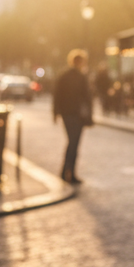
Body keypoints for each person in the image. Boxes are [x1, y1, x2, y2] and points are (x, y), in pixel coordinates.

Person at [53, 49, 93, 184]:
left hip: (66, 113)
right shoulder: (81, 77)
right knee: (74, 143)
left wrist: (55, 112)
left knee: (72, 142)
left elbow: (57, 95)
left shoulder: (64, 75)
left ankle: (66, 171)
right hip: (76, 114)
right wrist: (89, 117)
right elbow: (87, 98)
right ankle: (68, 172)